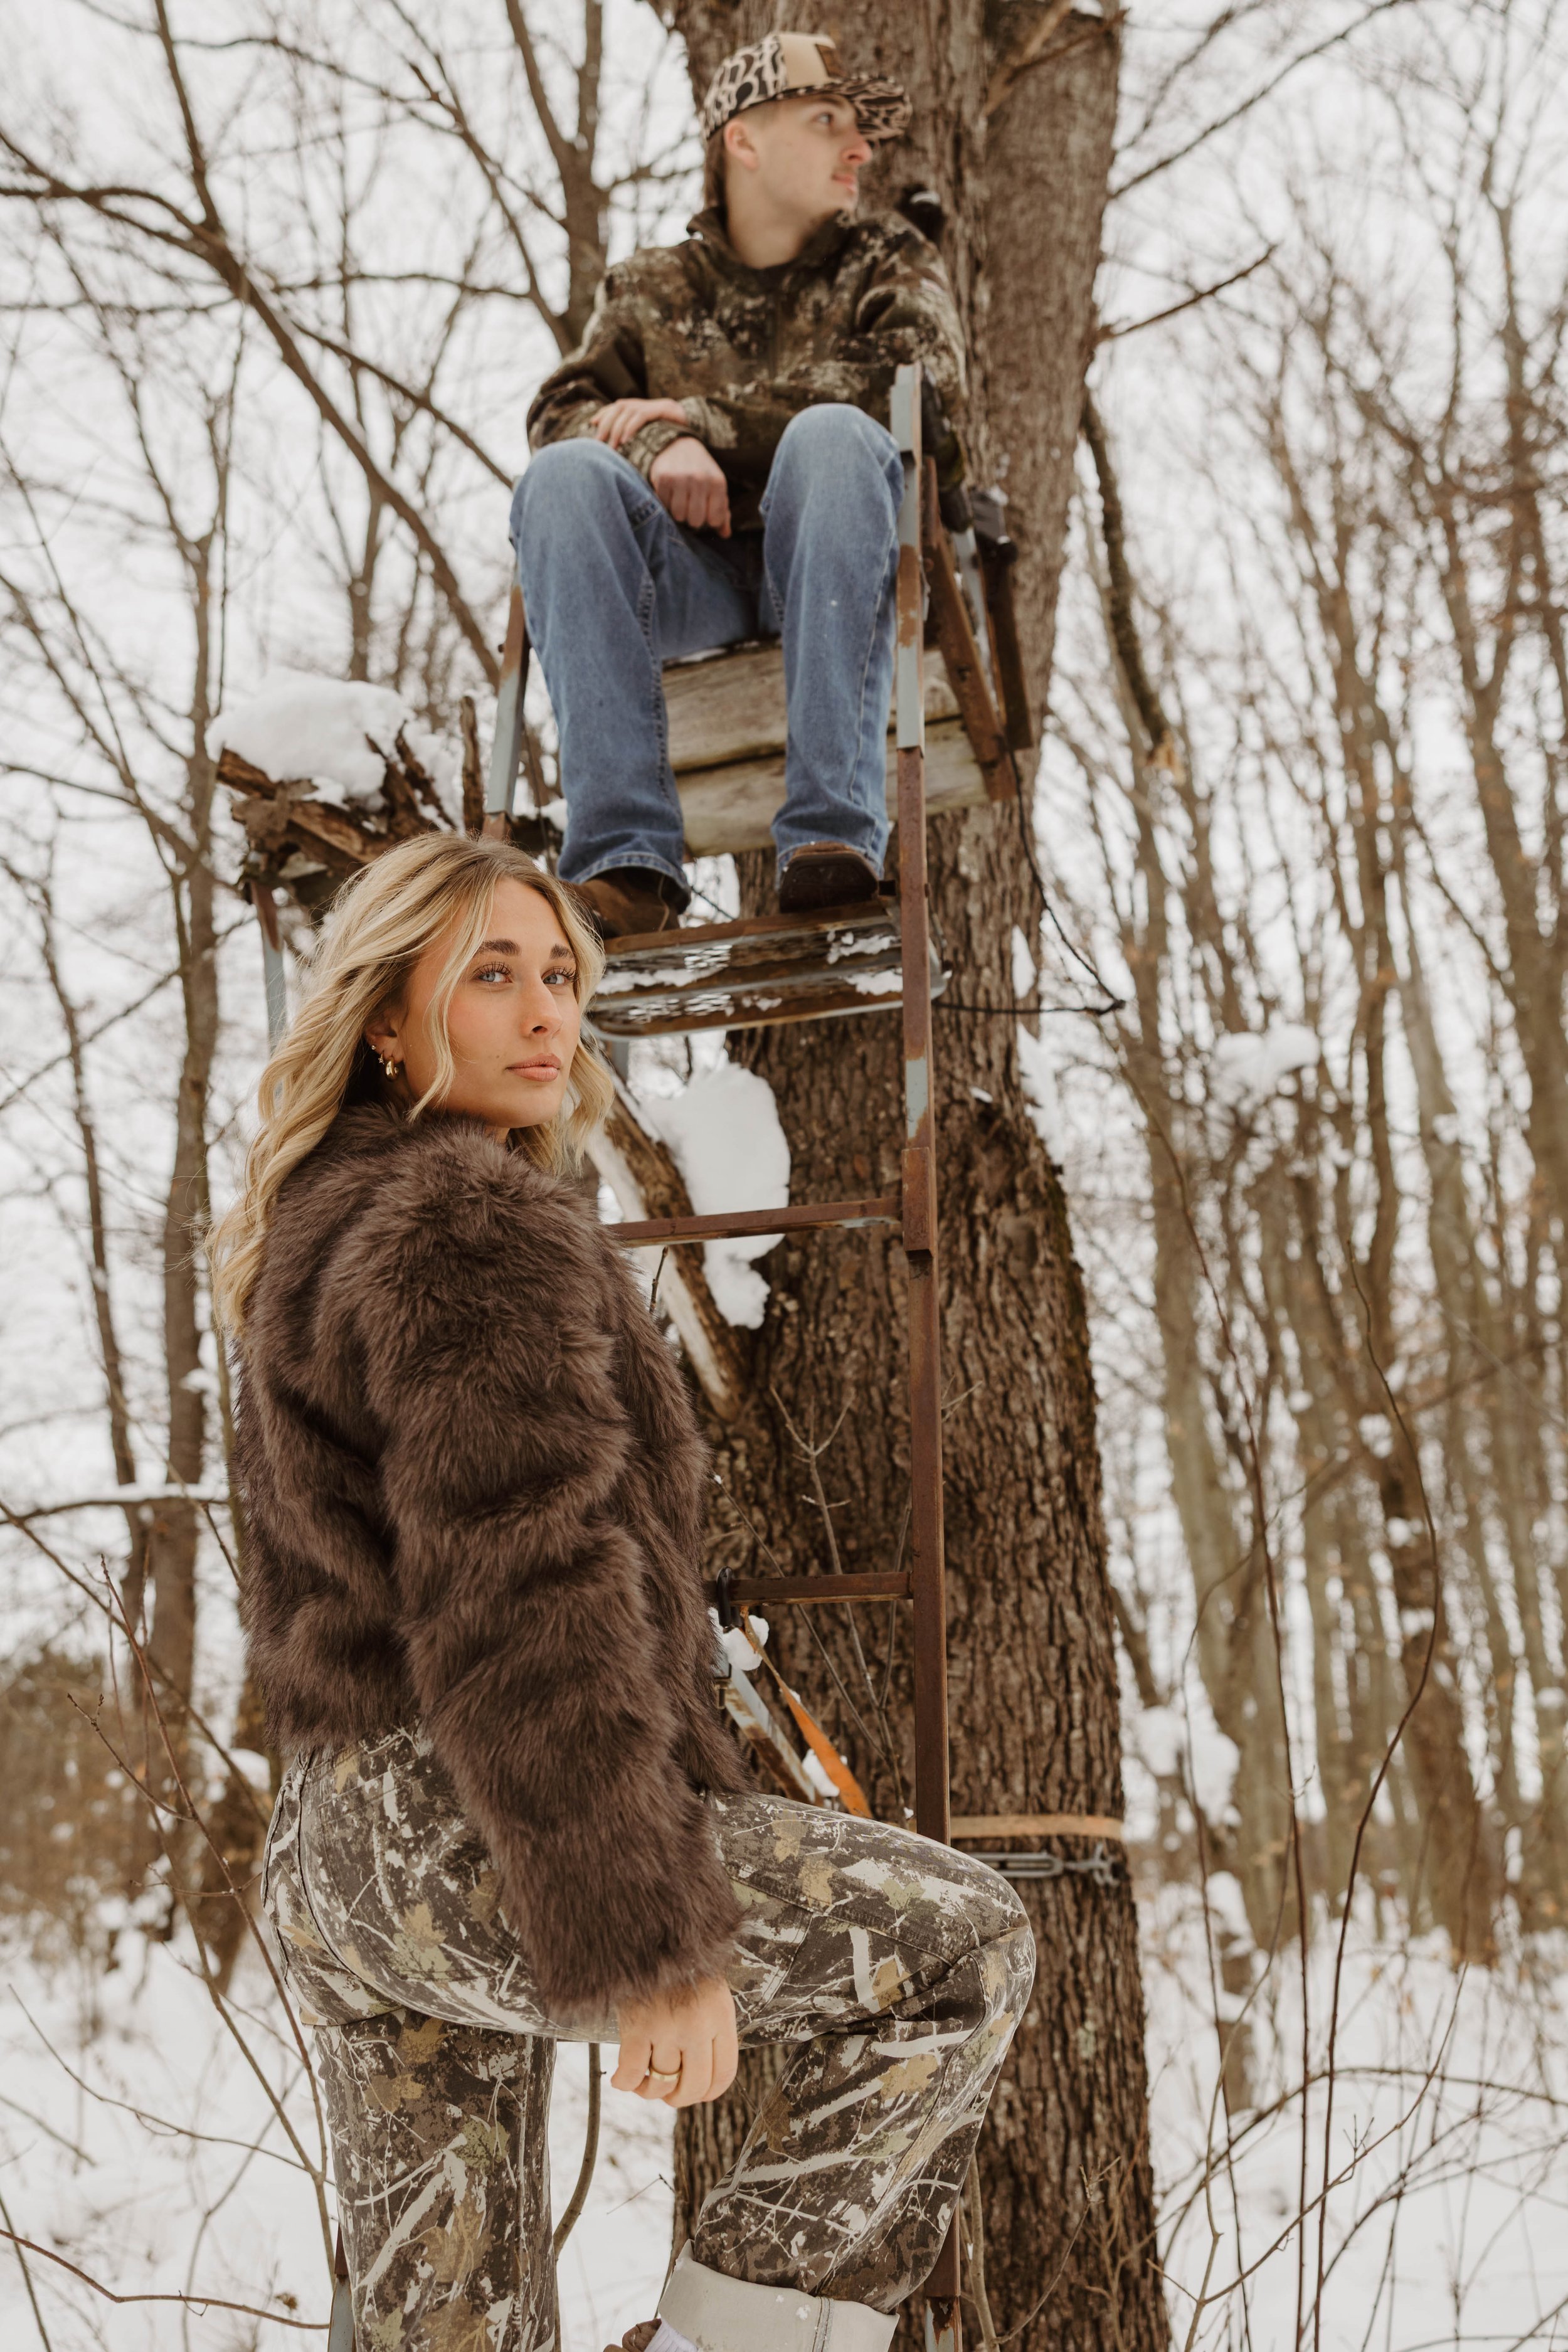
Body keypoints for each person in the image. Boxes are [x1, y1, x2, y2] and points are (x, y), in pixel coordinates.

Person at [214, 833, 1033, 2352]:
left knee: (447, 2324)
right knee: (958, 1948)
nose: (546, 1016)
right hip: (474, 1825)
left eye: (561, 977)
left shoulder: (309, 1231)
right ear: (387, 1021)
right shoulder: (469, 1224)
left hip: (335, 1861)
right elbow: (529, 1594)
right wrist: (645, 1941)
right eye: (490, 977)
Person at [513, 32, 968, 940]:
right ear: (744, 142)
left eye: (861, 131)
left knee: (836, 437)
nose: (861, 151)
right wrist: (656, 449)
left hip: (845, 555)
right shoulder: (649, 286)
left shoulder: (887, 257)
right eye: (829, 120)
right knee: (563, 479)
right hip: (697, 580)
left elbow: (918, 389)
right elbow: (563, 411)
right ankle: (624, 864)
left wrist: (694, 419)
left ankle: (831, 837)